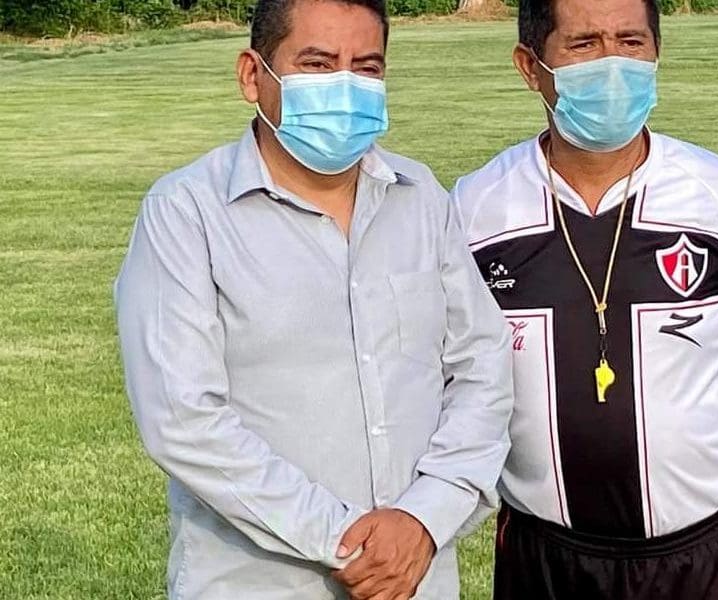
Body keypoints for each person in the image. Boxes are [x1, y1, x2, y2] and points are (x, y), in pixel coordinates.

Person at [451, 0, 718, 598]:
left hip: (705, 560)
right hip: (543, 559)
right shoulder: (475, 209)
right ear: (530, 66)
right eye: (584, 45)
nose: (613, 65)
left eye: (632, 42)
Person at [114, 1, 513, 598]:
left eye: (367, 67)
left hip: (416, 576)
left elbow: (483, 367)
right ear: (253, 75)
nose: (345, 85)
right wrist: (342, 538)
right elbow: (183, 419)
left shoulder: (421, 198)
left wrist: (426, 517)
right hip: (257, 584)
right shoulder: (186, 213)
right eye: (318, 64)